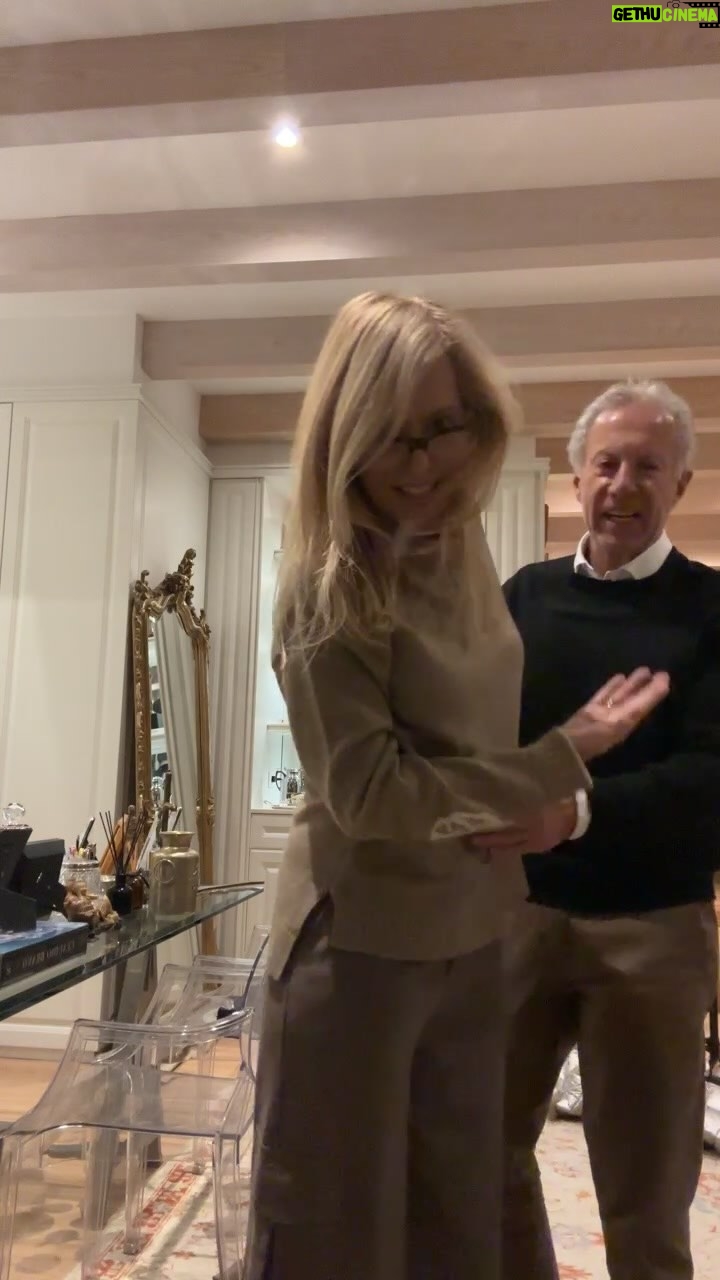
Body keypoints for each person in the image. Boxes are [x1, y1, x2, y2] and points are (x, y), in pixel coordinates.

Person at [244, 295, 669, 1280]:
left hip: (476, 931)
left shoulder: (461, 541)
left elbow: (470, 726)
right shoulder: (329, 582)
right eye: (391, 433)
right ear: (345, 432)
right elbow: (371, 795)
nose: (421, 462)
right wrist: (562, 755)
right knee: (335, 1229)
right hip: (361, 942)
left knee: (459, 1217)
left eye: (441, 426)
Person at [471, 379, 720, 1280]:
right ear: (576, 478)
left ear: (681, 484)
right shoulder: (520, 598)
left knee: (646, 1194)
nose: (622, 484)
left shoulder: (713, 611)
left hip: (655, 934)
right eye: (606, 464)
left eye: (648, 466)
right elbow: (478, 743)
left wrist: (573, 812)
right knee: (480, 1159)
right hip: (515, 917)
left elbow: (712, 782)